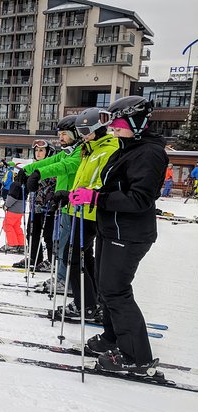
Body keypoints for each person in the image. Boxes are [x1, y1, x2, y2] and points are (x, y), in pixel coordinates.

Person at [71, 95, 168, 374]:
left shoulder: (148, 153)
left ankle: (136, 356)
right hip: (110, 227)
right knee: (106, 288)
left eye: (120, 123)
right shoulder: (127, 147)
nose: (114, 128)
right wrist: (91, 196)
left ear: (138, 122)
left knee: (116, 290)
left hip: (128, 232)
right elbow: (114, 188)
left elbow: (139, 199)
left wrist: (96, 199)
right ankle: (113, 337)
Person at [52, 107, 118, 319]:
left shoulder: (108, 149)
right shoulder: (88, 149)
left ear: (99, 129)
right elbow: (82, 182)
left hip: (92, 213)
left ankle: (86, 304)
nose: (83, 136)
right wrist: (69, 195)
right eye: (81, 132)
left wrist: (85, 196)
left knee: (72, 256)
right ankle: (90, 301)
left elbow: (103, 182)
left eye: (86, 131)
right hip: (80, 211)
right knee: (83, 257)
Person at [19, 116, 82, 294]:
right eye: (59, 134)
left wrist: (39, 173)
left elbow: (64, 165)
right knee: (63, 243)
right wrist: (28, 170)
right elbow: (51, 162)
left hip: (73, 204)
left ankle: (66, 280)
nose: (60, 138)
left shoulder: (79, 151)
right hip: (64, 204)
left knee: (65, 244)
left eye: (64, 134)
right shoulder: (69, 150)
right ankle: (62, 278)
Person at [13, 140, 57, 271]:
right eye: (36, 151)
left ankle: (51, 260)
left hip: (49, 206)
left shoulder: (52, 165)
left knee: (49, 235)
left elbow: (53, 183)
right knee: (31, 232)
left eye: (41, 150)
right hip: (35, 206)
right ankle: (34, 257)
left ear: (48, 152)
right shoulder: (33, 166)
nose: (38, 153)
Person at [0, 179, 25, 253]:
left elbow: (12, 197)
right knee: (16, 226)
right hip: (20, 209)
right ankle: (21, 244)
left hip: (14, 209)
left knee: (7, 225)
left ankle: (12, 244)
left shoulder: (15, 184)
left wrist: (6, 205)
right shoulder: (23, 183)